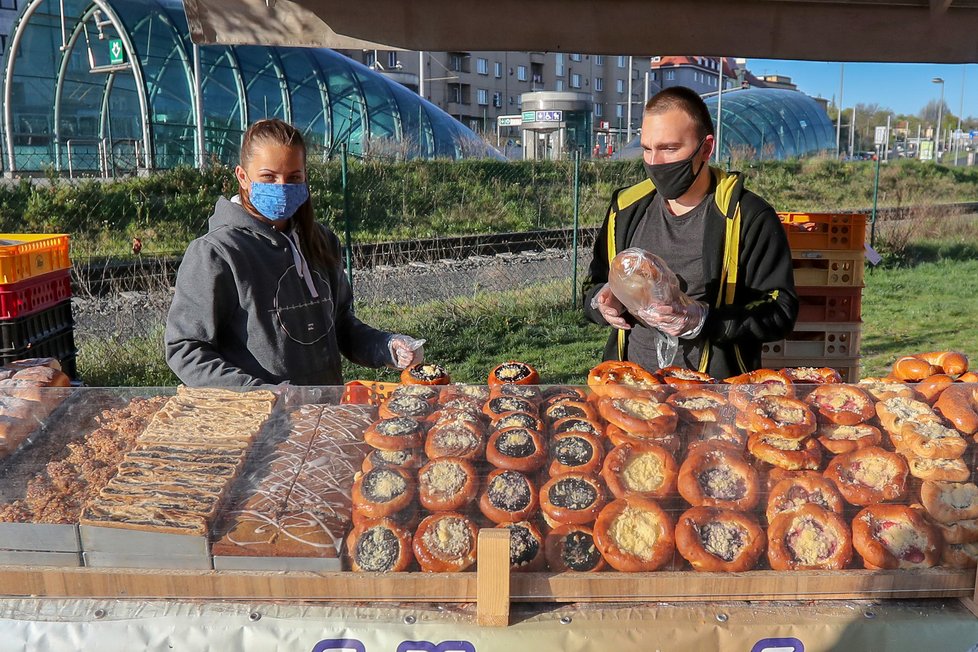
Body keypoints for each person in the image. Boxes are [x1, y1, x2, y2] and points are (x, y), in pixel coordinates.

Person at [165, 119, 423, 387]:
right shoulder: (216, 253)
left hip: (324, 412)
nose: (282, 187)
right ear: (242, 176)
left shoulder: (321, 240)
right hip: (261, 422)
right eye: (268, 177)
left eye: (294, 178)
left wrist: (387, 346)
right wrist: (260, 396)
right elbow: (185, 349)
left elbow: (341, 326)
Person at [583, 86, 798, 379]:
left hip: (716, 396)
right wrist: (602, 303)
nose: (655, 163)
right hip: (632, 387)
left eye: (669, 149)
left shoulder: (748, 216)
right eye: (647, 148)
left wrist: (702, 319)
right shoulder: (625, 209)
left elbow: (780, 310)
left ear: (706, 148)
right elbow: (593, 285)